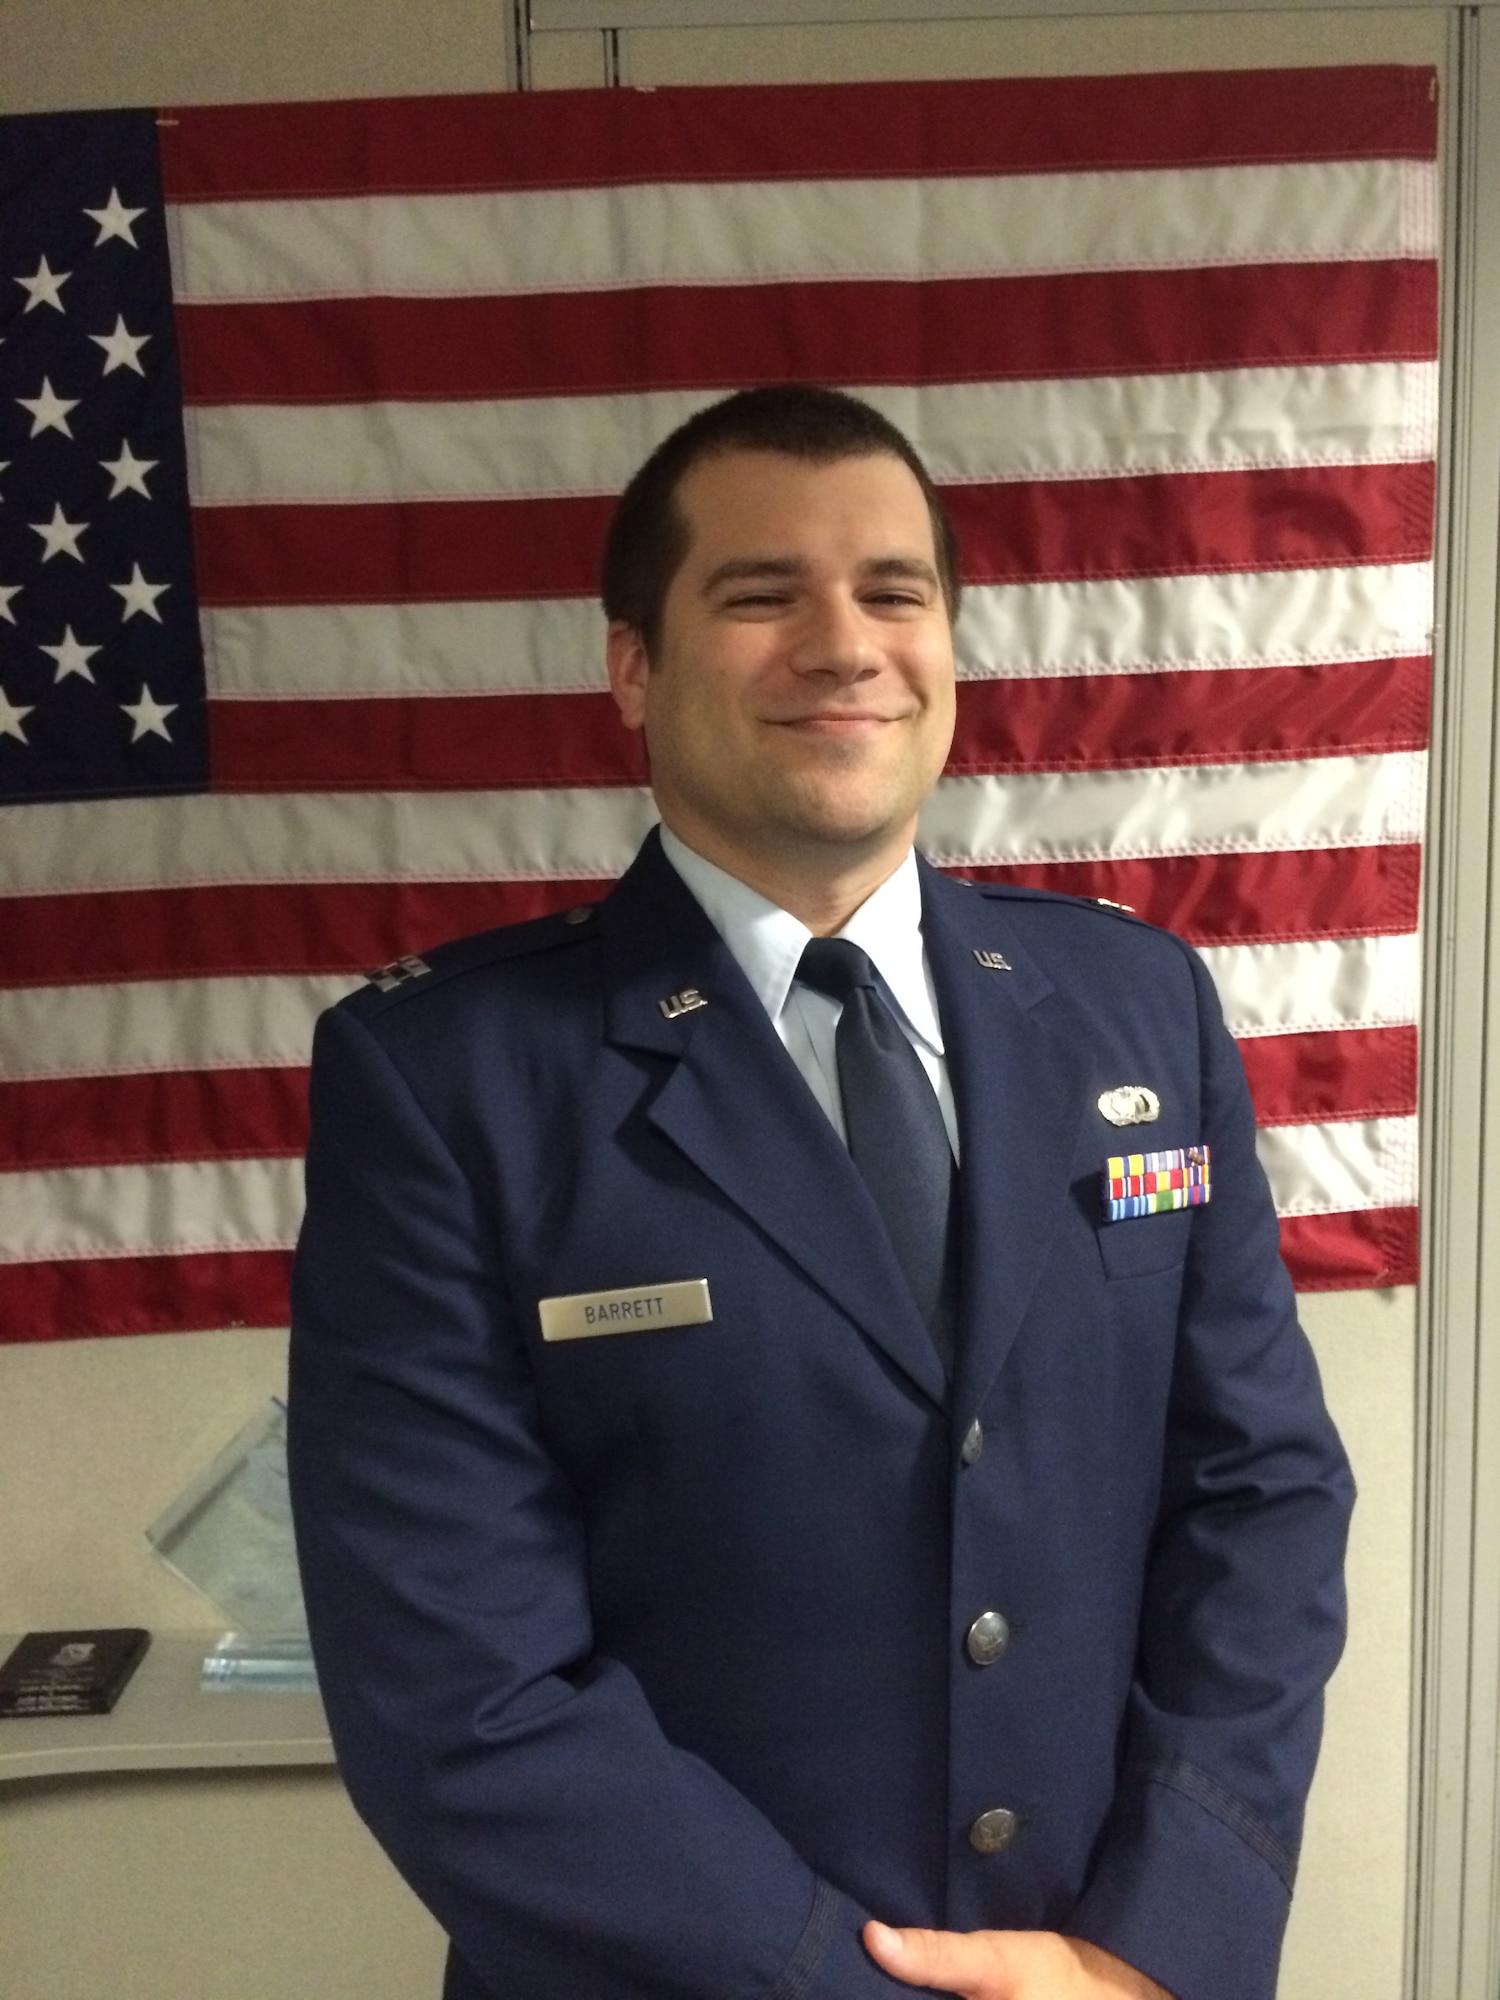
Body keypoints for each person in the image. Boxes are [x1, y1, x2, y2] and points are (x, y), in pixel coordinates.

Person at [288, 384, 1354, 2000]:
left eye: (893, 592)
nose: (844, 643)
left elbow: (1259, 1501)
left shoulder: (1138, 1008)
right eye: (762, 593)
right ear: (631, 662)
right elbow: (460, 1690)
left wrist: (1161, 1947)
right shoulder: (446, 1081)